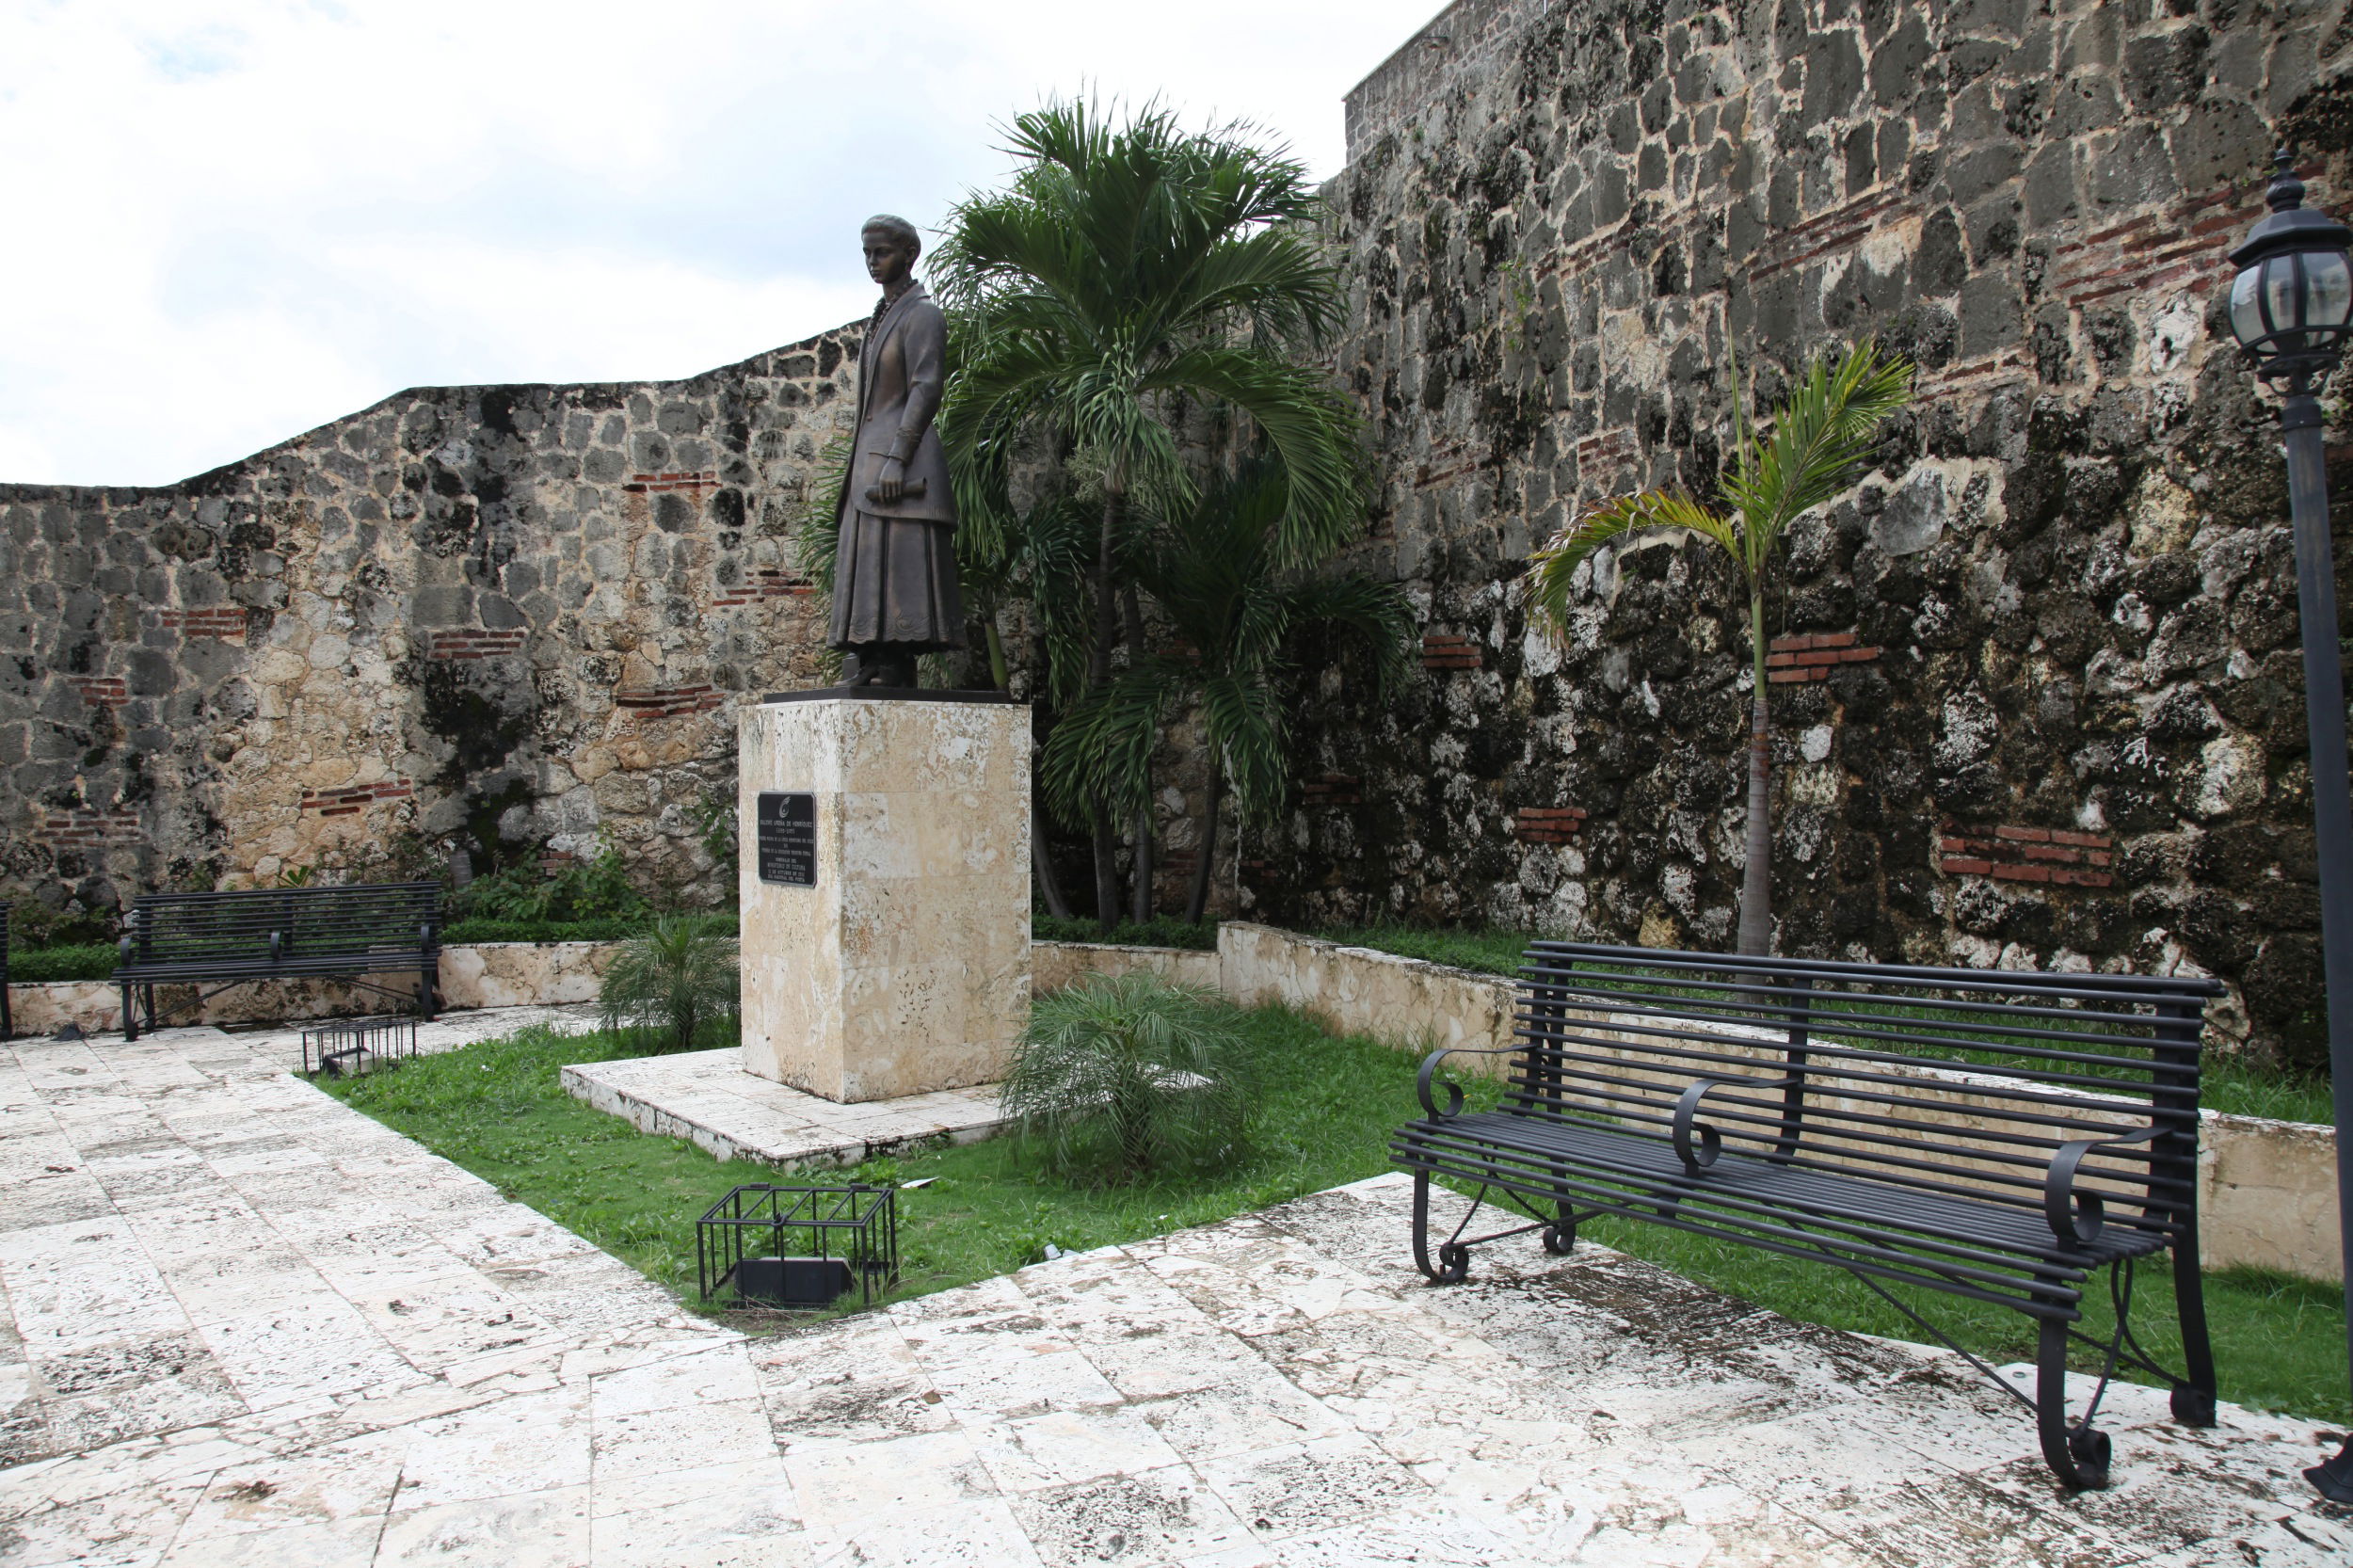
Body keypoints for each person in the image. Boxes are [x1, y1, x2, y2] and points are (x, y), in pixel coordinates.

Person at [826, 214, 962, 688]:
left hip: (898, 467)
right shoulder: (882, 315)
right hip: (869, 464)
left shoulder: (922, 314)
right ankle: (871, 658)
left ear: (909, 255)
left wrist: (897, 458)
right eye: (866, 253)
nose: (872, 262)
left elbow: (926, 390)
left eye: (881, 252)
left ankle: (894, 662)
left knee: (898, 568)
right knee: (869, 566)